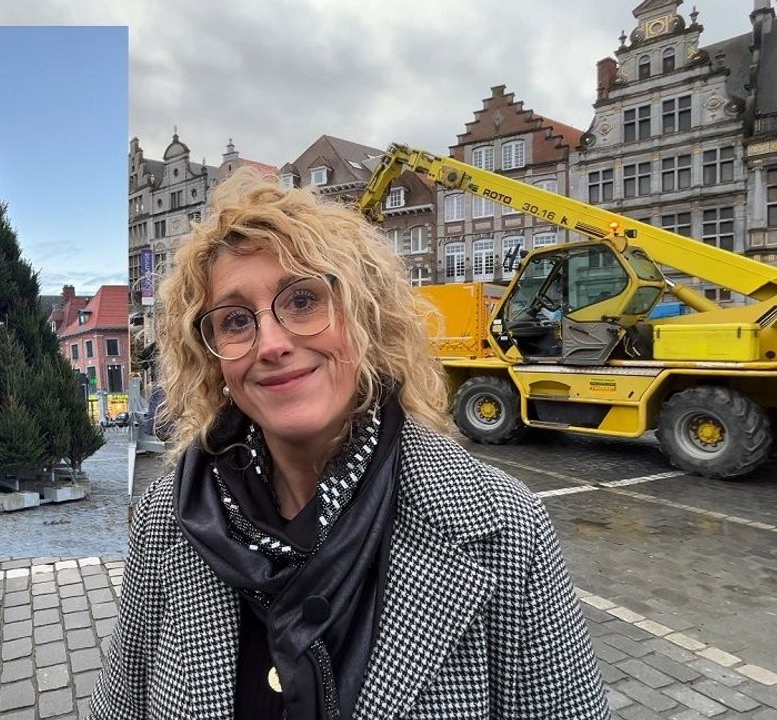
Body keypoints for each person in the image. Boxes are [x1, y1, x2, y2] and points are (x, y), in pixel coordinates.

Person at [90, 169, 609, 719]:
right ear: (212, 356)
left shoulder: (503, 527)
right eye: (237, 320)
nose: (271, 343)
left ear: (367, 317)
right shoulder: (168, 516)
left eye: (304, 299)